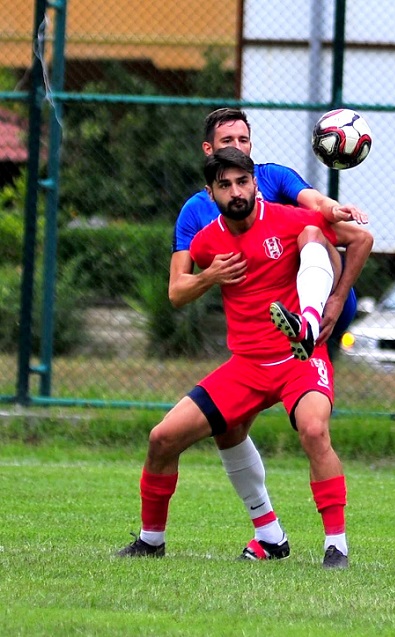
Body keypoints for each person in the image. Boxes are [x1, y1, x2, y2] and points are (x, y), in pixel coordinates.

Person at [117, 148, 373, 568]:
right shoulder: (206, 241)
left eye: (242, 182)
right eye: (225, 185)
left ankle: (336, 546)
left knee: (313, 430)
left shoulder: (291, 217)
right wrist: (209, 276)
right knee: (162, 438)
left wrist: (337, 299)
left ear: (255, 183)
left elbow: (361, 238)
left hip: (299, 359)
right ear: (210, 193)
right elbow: (178, 293)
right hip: (247, 367)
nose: (236, 191)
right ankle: (151, 541)